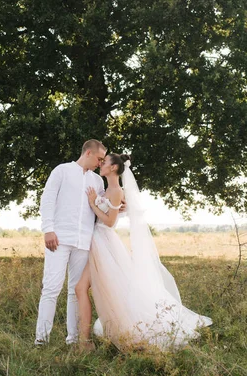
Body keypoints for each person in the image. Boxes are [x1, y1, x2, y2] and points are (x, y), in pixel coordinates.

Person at [75, 153, 213, 352]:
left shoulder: (115, 190)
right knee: (108, 289)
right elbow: (111, 213)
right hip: (98, 241)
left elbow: (110, 222)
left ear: (114, 168)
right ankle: (93, 336)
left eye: (104, 162)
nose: (101, 164)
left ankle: (93, 339)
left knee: (108, 288)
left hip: (104, 241)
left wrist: (92, 203)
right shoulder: (107, 189)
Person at [35, 139, 108, 345]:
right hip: (58, 238)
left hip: (84, 241)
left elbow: (103, 206)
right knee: (51, 288)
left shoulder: (97, 181)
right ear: (88, 153)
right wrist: (48, 229)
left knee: (76, 291)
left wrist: (120, 205)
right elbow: (47, 199)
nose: (100, 163)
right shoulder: (62, 171)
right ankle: (41, 340)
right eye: (99, 159)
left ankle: (74, 339)